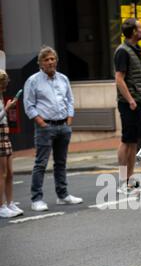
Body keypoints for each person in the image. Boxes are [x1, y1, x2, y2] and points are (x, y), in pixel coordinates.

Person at [24, 46, 83, 212]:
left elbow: (70, 100)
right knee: (41, 163)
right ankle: (36, 199)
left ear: (56, 60)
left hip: (63, 126)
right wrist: (41, 122)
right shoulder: (33, 81)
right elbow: (29, 105)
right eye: (46, 59)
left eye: (52, 59)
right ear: (40, 63)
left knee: (61, 163)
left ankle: (63, 195)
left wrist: (69, 119)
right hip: (45, 127)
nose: (50, 62)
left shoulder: (63, 79)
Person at [114, 18, 141, 195]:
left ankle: (129, 179)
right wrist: (130, 100)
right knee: (127, 141)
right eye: (140, 27)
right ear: (133, 31)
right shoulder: (123, 51)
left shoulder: (135, 50)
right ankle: (123, 181)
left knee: (135, 141)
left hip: (140, 103)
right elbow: (119, 78)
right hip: (130, 104)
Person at [0, 70, 24, 218]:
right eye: (2, 84)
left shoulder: (1, 96)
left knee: (10, 173)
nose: (4, 87)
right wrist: (7, 109)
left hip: (5, 134)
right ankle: (1, 206)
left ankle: (10, 203)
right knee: (1, 174)